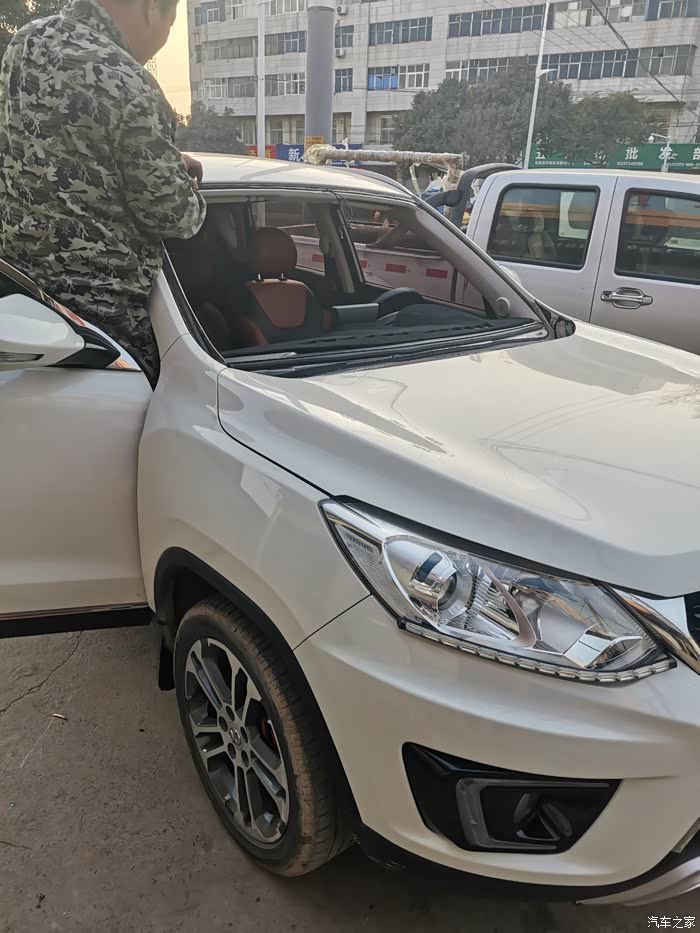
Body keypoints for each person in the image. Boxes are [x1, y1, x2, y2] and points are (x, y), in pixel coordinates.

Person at [0, 0, 206, 385]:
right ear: (152, 9)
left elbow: (52, 142)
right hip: (103, 327)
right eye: (169, 27)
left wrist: (158, 157)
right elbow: (171, 216)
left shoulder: (25, 44)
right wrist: (189, 190)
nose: (160, 43)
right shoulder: (128, 80)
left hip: (21, 305)